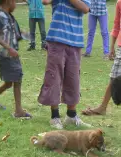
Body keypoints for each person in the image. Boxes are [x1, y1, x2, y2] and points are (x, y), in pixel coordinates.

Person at [38, 0, 91, 129]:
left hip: (75, 41)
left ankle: (71, 115)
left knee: (73, 79)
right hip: (57, 40)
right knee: (54, 78)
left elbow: (85, 8)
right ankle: (54, 117)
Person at [0, 0, 32, 119]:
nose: (16, 4)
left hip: (11, 54)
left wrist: (25, 35)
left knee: (9, 83)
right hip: (6, 54)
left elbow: (11, 33)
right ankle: (19, 111)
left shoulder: (8, 16)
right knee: (17, 79)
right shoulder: (0, 15)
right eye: (15, 2)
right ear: (8, 1)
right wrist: (9, 48)